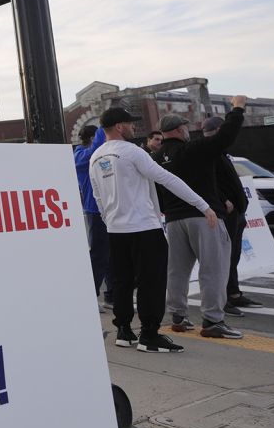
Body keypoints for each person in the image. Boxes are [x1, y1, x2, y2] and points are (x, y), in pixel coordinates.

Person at [90, 108, 218, 353]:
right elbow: (167, 178)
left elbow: (98, 197)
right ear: (119, 127)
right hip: (144, 227)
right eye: (129, 123)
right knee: (152, 281)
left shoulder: (96, 157)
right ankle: (149, 335)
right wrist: (203, 205)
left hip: (116, 230)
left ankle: (124, 331)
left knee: (123, 281)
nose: (133, 127)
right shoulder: (131, 152)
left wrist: (110, 221)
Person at [154, 98, 247, 340]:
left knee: (177, 270)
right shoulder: (192, 149)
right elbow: (225, 137)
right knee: (213, 269)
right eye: (185, 127)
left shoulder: (155, 157)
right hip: (204, 217)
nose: (188, 130)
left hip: (173, 220)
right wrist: (237, 110)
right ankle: (213, 320)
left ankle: (178, 316)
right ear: (178, 130)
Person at [202, 116, 263, 311]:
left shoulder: (221, 152)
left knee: (233, 254)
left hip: (235, 211)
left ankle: (233, 293)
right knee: (224, 257)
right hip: (224, 211)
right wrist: (223, 199)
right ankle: (224, 298)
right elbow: (205, 180)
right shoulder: (209, 152)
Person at [75, 124, 112, 308]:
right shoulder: (80, 155)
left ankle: (111, 295)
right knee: (99, 255)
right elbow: (92, 153)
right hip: (94, 210)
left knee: (112, 255)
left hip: (109, 209)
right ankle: (91, 296)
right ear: (92, 138)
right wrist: (103, 127)